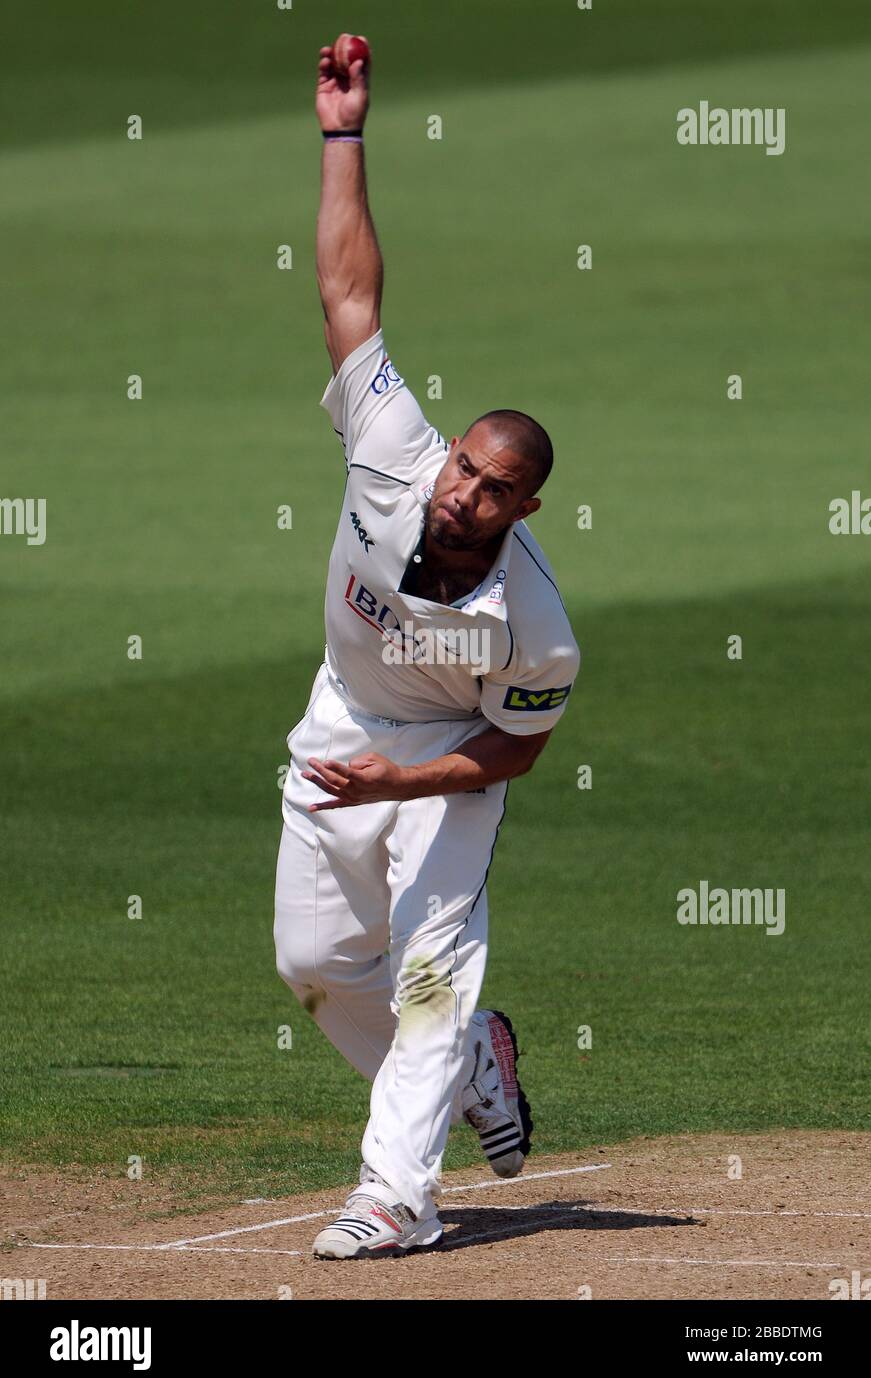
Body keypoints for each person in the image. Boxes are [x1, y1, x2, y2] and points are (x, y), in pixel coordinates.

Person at [273, 36, 580, 1259]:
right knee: (311, 961)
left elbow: (511, 757)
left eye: (492, 489)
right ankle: (472, 1066)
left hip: (447, 760)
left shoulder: (535, 629)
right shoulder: (389, 442)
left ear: (522, 510)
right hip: (340, 715)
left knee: (428, 966)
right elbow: (349, 293)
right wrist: (341, 135)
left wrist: (403, 785)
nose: (461, 494)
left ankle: (397, 1196)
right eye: (462, 467)